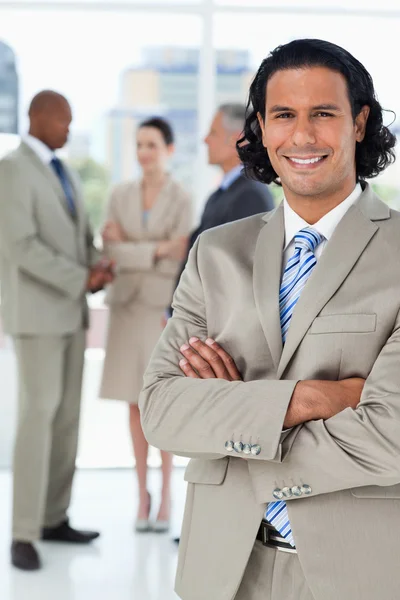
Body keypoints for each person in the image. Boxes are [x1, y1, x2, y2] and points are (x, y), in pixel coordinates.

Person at [140, 38, 400, 600]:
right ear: (260, 127)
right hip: (222, 570)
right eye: (284, 115)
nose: (302, 136)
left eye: (323, 114)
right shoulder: (215, 253)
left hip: (357, 572)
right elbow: (160, 411)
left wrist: (231, 423)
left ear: (359, 122)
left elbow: (391, 433)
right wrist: (313, 398)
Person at [0, 90, 114, 572]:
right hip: (37, 316)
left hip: (71, 314)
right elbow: (21, 245)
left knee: (67, 420)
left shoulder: (63, 171)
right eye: (63, 120)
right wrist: (78, 277)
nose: (68, 129)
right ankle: (23, 532)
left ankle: (53, 518)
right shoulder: (11, 169)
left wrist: (95, 266)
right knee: (37, 416)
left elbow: (78, 234)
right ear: (37, 117)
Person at [100, 117, 191, 533]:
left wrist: (135, 251)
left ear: (168, 149)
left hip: (159, 310)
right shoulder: (119, 195)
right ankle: (142, 496)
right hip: (125, 310)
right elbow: (111, 252)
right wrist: (153, 252)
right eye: (139, 144)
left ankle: (166, 498)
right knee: (133, 406)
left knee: (160, 402)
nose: (143, 152)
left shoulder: (182, 197)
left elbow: (180, 253)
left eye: (151, 144)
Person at [166, 103, 275, 320]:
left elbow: (237, 275)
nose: (205, 140)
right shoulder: (224, 194)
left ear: (239, 138)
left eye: (213, 133)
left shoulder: (250, 196)